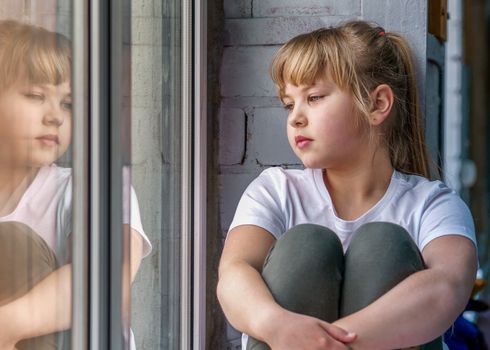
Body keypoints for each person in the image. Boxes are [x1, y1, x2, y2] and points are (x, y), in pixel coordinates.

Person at [217, 20, 478, 350]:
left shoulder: (433, 203)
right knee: (306, 245)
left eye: (314, 97)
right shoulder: (275, 189)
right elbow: (234, 272)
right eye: (289, 103)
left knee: (383, 244)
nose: (295, 117)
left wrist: (325, 343)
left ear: (377, 104)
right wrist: (278, 326)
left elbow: (448, 285)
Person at [0, 20, 151, 349]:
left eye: (67, 104)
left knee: (11, 245)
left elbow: (112, 274)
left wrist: (6, 325)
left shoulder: (90, 188)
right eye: (36, 96)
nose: (55, 116)